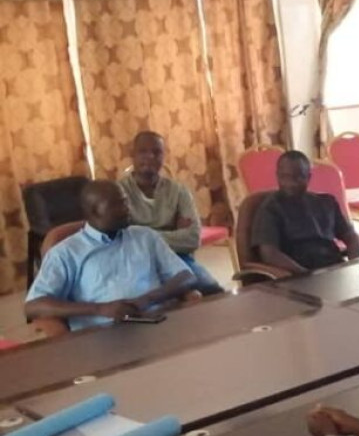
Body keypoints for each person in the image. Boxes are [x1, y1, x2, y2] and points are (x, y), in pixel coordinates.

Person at [25, 180, 197, 331]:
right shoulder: (67, 252)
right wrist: (100, 309)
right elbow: (33, 306)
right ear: (94, 211)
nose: (127, 209)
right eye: (118, 205)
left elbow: (186, 276)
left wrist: (146, 299)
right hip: (104, 335)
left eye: (126, 202)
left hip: (159, 322)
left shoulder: (145, 236)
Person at [116, 131, 223, 295]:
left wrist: (142, 235)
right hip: (137, 263)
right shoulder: (118, 193)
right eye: (143, 151)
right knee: (158, 299)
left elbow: (192, 239)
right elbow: (122, 241)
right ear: (132, 155)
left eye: (156, 152)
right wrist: (173, 233)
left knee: (213, 290)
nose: (150, 157)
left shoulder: (179, 191)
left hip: (177, 258)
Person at [251, 150, 359, 274]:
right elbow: (269, 254)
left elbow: (351, 237)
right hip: (297, 274)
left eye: (298, 177)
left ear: (308, 177)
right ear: (277, 176)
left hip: (333, 269)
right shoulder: (271, 209)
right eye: (285, 177)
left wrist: (355, 265)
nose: (291, 183)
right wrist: (305, 274)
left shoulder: (326, 202)